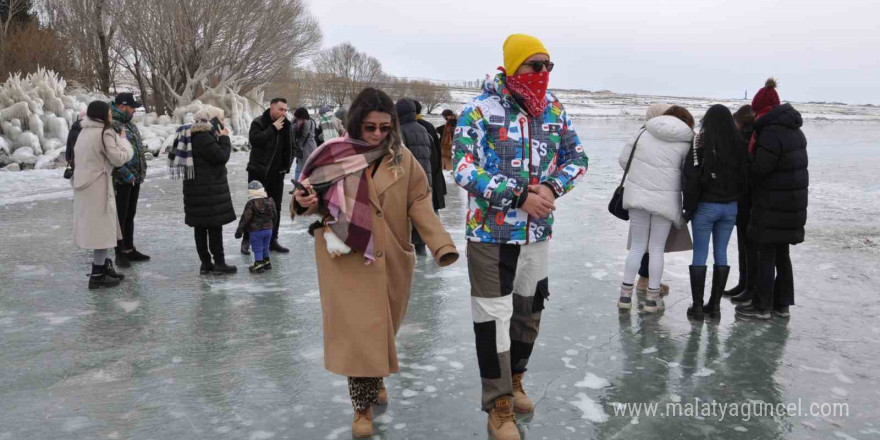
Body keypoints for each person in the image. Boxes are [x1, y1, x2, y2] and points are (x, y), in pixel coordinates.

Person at [292, 87, 458, 438]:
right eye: (370, 127)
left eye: (385, 127)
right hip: (347, 257)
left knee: (383, 328)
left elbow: (420, 202)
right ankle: (362, 408)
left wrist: (440, 244)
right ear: (356, 124)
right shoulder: (331, 155)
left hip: (391, 255)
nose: (378, 134)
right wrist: (305, 200)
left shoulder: (403, 158)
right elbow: (307, 199)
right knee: (359, 335)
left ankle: (375, 376)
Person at [453, 34, 589, 440]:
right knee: (493, 317)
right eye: (535, 65)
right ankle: (498, 405)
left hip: (537, 234)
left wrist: (550, 188)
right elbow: (461, 167)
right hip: (491, 234)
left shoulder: (553, 110)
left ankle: (515, 380)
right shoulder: (479, 110)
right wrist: (517, 197)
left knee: (529, 311)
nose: (543, 73)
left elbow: (577, 157)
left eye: (548, 66)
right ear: (514, 67)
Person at [736, 78, 808, 319]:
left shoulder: (769, 132)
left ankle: (762, 306)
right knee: (782, 255)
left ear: (760, 109)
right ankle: (782, 304)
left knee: (765, 253)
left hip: (772, 204)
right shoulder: (794, 131)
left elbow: (760, 169)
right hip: (792, 205)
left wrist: (745, 162)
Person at [616, 105, 693, 314]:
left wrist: (643, 173)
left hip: (637, 196)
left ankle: (624, 296)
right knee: (657, 248)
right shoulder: (687, 141)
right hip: (666, 201)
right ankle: (651, 300)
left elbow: (624, 160)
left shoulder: (643, 132)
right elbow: (688, 174)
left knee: (638, 246)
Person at [682, 104, 746, 320]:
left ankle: (698, 307)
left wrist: (688, 207)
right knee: (721, 253)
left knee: (700, 253)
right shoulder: (739, 143)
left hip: (706, 206)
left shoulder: (700, 142)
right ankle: (715, 307)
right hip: (730, 207)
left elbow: (690, 177)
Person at [71, 101, 133, 289]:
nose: (111, 115)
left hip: (85, 185)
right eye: (109, 112)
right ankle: (97, 274)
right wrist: (123, 141)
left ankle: (104, 266)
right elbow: (118, 158)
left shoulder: (84, 131)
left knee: (102, 227)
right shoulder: (104, 132)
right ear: (102, 114)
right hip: (98, 186)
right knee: (102, 229)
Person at [179, 106, 237, 275]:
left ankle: (206, 263)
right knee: (214, 227)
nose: (223, 122)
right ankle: (218, 263)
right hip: (208, 191)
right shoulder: (204, 137)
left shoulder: (194, 135)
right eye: (221, 119)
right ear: (212, 120)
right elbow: (221, 157)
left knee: (201, 227)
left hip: (197, 190)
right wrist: (225, 139)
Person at [243, 98, 294, 255]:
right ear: (271, 108)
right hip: (258, 173)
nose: (283, 113)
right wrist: (272, 128)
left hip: (276, 175)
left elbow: (291, 146)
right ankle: (246, 240)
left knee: (275, 209)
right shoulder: (259, 122)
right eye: (280, 109)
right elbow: (255, 141)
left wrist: (286, 167)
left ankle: (273, 241)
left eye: (285, 110)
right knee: (254, 208)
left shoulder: (287, 125)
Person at [110, 93, 150, 268]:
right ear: (122, 106)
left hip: (135, 177)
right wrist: (126, 173)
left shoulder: (129, 124)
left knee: (130, 215)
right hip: (122, 179)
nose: (134, 110)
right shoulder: (113, 125)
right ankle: (119, 253)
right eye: (132, 107)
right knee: (120, 216)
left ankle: (129, 248)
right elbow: (112, 155)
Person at [395, 98, 435, 255]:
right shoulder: (423, 129)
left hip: (408, 182)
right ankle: (421, 251)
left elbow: (399, 159)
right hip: (425, 178)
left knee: (407, 220)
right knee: (421, 216)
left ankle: (411, 257)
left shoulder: (400, 131)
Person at [727, 105, 758, 305]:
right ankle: (744, 283)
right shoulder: (749, 137)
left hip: (747, 198)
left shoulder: (747, 139)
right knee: (745, 244)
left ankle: (748, 286)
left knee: (748, 244)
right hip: (745, 198)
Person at [235, 180, 277, 273]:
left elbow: (245, 218)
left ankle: (258, 264)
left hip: (256, 231)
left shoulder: (251, 203)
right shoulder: (270, 201)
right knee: (265, 246)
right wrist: (272, 226)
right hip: (268, 229)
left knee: (257, 248)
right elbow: (275, 215)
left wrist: (239, 230)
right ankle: (266, 262)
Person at [414, 100, 447, 212]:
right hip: (432, 177)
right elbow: (437, 154)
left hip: (420, 180)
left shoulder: (403, 127)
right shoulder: (428, 126)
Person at [293, 107, 319, 178]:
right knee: (310, 167)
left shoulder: (303, 123)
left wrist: (295, 123)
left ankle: (300, 184)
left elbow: (294, 131)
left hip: (305, 149)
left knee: (302, 168)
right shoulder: (312, 121)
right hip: (312, 146)